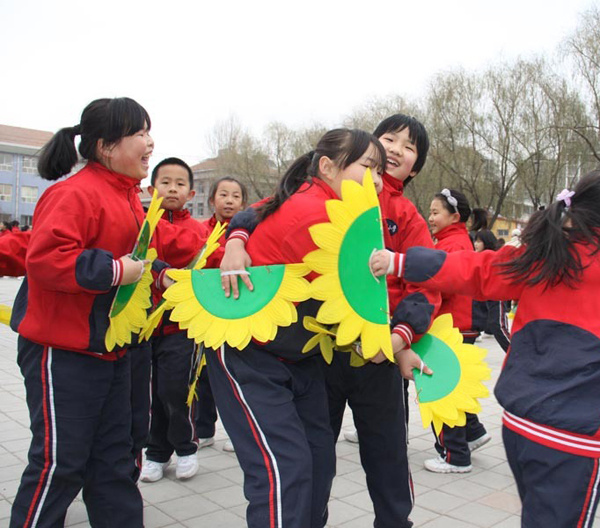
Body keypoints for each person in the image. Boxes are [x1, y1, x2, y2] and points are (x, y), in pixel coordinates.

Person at [370, 171, 600, 528]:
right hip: (576, 434)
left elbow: (478, 270)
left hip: (521, 420)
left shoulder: (549, 252)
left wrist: (401, 261)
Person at [209, 129, 386, 528]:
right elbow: (352, 300)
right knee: (283, 468)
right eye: (368, 167)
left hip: (297, 355)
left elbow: (252, 213)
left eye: (381, 171)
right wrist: (379, 340)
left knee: (318, 460)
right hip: (248, 351)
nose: (377, 180)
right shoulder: (315, 211)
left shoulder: (339, 210)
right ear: (327, 166)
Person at [8, 97, 154, 528]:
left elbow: (135, 259)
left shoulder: (128, 196)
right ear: (107, 146)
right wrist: (114, 270)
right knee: (60, 462)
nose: (150, 142)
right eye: (141, 133)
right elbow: (47, 258)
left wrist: (158, 275)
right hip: (63, 350)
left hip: (109, 351)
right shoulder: (73, 193)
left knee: (114, 463)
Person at [140, 157, 206, 482]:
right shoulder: (141, 226)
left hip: (181, 326)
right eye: (165, 182)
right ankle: (154, 452)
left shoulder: (198, 231)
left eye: (180, 184)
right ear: (151, 189)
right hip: (142, 323)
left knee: (176, 388)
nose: (172, 188)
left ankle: (185, 447)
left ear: (191, 193)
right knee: (149, 391)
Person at [420, 188, 491, 473]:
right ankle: (473, 433)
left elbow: (440, 289)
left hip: (450, 326)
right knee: (457, 385)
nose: (430, 218)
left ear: (455, 216)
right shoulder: (458, 242)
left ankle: (454, 455)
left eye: (436, 212)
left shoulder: (451, 246)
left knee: (442, 391)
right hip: (461, 324)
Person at [195, 176, 247, 452]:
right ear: (211, 200)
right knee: (203, 374)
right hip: (206, 311)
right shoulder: (199, 231)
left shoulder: (248, 234)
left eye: (235, 196)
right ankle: (203, 430)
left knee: (234, 373)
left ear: (243, 203)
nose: (229, 200)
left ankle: (238, 435)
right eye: (223, 195)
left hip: (237, 310)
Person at [472, 230, 511, 351]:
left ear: (486, 242)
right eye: (475, 241)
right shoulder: (477, 256)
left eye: (479, 241)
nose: (476, 244)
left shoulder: (494, 257)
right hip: (482, 296)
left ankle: (515, 352)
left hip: (496, 295)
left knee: (498, 326)